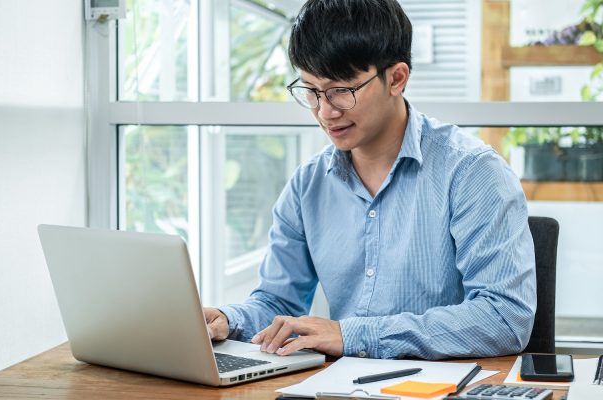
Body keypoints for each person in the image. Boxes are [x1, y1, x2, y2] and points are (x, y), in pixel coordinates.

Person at [203, 0, 536, 360]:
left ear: (396, 78)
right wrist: (228, 319)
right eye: (311, 90)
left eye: (341, 91)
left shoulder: (471, 173)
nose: (325, 112)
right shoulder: (307, 186)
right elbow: (278, 302)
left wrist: (352, 335)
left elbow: (503, 318)